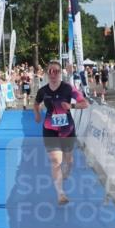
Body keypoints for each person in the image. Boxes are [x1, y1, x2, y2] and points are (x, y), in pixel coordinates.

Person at [34, 60, 89, 205]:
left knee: (69, 162)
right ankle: (60, 194)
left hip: (67, 130)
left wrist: (71, 105)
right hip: (50, 130)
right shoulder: (43, 91)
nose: (53, 74)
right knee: (56, 162)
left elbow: (85, 103)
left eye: (56, 71)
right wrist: (37, 114)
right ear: (47, 74)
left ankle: (66, 173)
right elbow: (36, 103)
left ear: (61, 73)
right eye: (50, 71)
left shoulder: (68, 88)